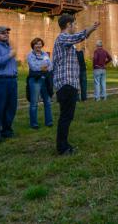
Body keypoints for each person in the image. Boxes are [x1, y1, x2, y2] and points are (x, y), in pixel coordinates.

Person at [52, 14, 99, 155]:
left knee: (67, 116)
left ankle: (64, 144)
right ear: (68, 25)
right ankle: (62, 147)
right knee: (66, 117)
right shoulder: (62, 38)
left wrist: (89, 31)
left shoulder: (65, 41)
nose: (75, 26)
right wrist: (90, 28)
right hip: (66, 84)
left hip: (69, 84)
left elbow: (77, 38)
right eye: (74, 24)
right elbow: (76, 37)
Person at [27, 37, 53, 129]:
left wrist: (42, 67)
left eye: (40, 43)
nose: (39, 45)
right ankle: (34, 124)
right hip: (35, 80)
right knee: (34, 103)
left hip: (45, 79)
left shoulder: (45, 54)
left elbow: (50, 66)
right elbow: (33, 67)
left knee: (48, 101)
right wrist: (43, 67)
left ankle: (49, 122)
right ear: (33, 45)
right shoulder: (30, 55)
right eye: (36, 44)